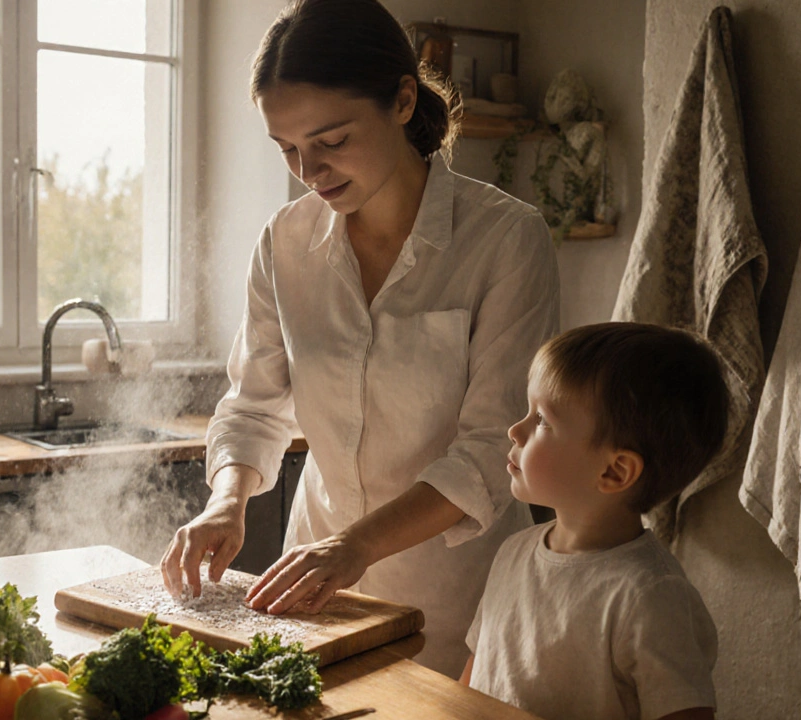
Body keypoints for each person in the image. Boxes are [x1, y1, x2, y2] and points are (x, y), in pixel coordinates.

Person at [159, 0, 560, 677]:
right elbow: (255, 406)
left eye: (331, 140)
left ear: (403, 99)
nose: (309, 171)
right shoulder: (284, 243)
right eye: (287, 149)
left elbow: (493, 446)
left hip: (460, 594)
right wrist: (225, 504)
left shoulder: (506, 240)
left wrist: (357, 546)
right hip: (314, 582)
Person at [461, 323, 728, 720]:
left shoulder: (649, 597)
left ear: (615, 472)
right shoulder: (512, 554)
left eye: (543, 421)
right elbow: (472, 681)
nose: (515, 430)